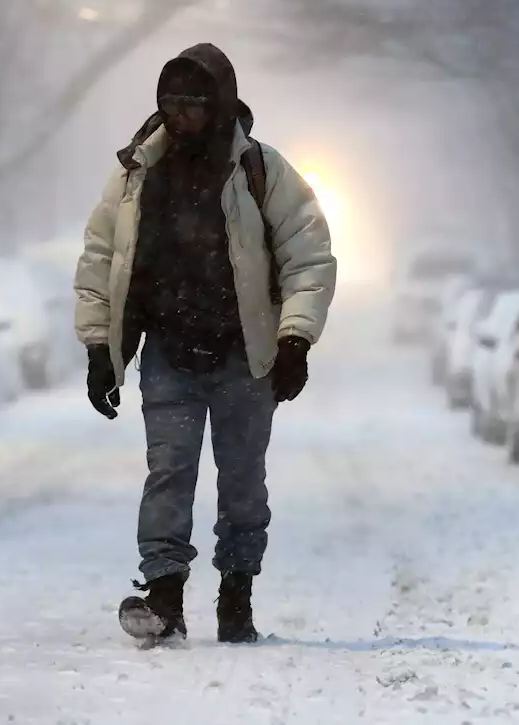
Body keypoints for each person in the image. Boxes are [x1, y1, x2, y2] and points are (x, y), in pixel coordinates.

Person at [73, 43, 336, 645]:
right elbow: (100, 258)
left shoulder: (260, 171)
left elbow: (309, 256)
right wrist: (98, 347)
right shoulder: (138, 173)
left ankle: (236, 593)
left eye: (192, 103)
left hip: (245, 355)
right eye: (169, 102)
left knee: (242, 479)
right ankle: (163, 595)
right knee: (168, 472)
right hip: (168, 351)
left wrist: (295, 339)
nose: (179, 115)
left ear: (219, 104)